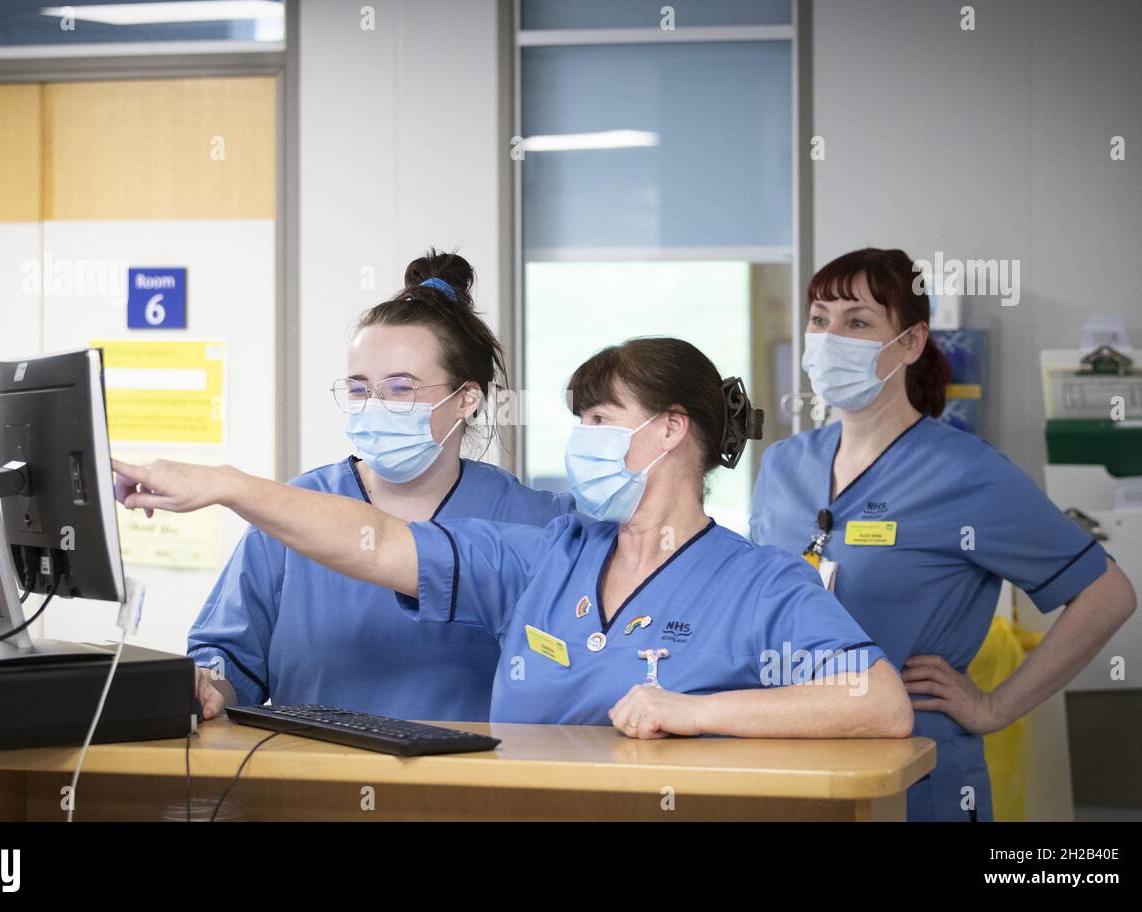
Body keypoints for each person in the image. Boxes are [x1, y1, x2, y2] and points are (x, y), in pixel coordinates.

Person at [115, 338, 914, 740]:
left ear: (672, 431)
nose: (583, 441)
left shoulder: (758, 583)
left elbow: (877, 701)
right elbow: (374, 543)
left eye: (601, 421)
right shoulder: (546, 553)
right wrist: (227, 484)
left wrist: (697, 712)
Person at [749, 247, 1136, 820]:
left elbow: (1108, 595)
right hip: (790, 762)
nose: (830, 338)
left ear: (909, 343)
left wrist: (995, 707)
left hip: (917, 776)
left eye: (857, 322)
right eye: (819, 319)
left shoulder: (966, 474)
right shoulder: (782, 466)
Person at [176, 249, 572, 722]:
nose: (374, 406)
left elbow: (577, 670)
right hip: (309, 780)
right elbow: (229, 662)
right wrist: (209, 686)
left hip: (471, 788)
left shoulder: (533, 520)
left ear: (466, 399)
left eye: (401, 389)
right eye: (360, 389)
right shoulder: (294, 512)